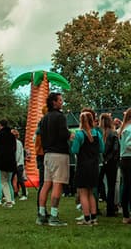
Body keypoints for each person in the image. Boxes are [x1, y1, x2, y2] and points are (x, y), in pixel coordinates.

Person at [37, 92, 72, 227]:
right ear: (54, 102)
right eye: (60, 100)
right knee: (58, 184)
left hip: (47, 154)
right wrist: (70, 135)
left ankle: (41, 215)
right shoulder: (60, 117)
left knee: (46, 184)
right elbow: (64, 134)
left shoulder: (44, 118)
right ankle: (54, 215)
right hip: (59, 154)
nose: (62, 102)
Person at [71, 111, 104, 225]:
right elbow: (101, 149)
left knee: (83, 193)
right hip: (94, 166)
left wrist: (72, 141)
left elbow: (74, 150)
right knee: (91, 193)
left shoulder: (79, 134)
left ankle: (86, 218)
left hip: (82, 166)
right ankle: (94, 218)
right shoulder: (97, 134)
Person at [98, 113, 119, 217]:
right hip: (110, 162)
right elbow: (115, 149)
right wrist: (109, 159)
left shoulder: (98, 133)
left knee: (98, 184)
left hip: (100, 162)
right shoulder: (113, 133)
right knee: (111, 186)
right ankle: (110, 209)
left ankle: (95, 208)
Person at [12, 128, 28, 201]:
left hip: (18, 164)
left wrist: (15, 162)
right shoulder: (15, 142)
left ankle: (24, 194)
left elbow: (17, 154)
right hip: (16, 164)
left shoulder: (17, 143)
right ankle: (16, 192)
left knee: (20, 179)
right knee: (14, 179)